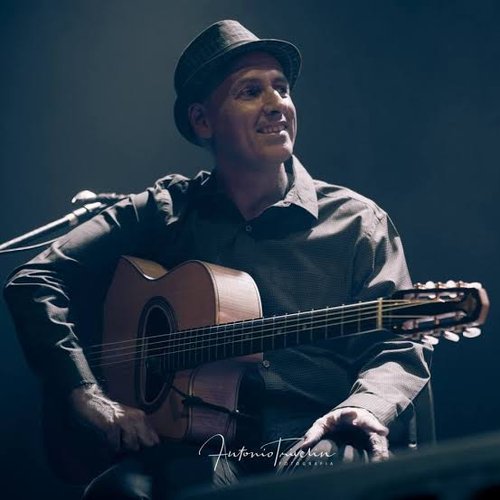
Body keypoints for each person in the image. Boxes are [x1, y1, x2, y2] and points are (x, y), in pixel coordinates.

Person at [4, 20, 432, 499]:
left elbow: (397, 345)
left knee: (332, 469)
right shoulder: (165, 211)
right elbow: (34, 280)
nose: (277, 104)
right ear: (202, 121)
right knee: (124, 491)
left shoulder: (357, 223)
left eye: (282, 88)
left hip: (307, 442)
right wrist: (85, 393)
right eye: (251, 91)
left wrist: (365, 406)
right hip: (190, 452)